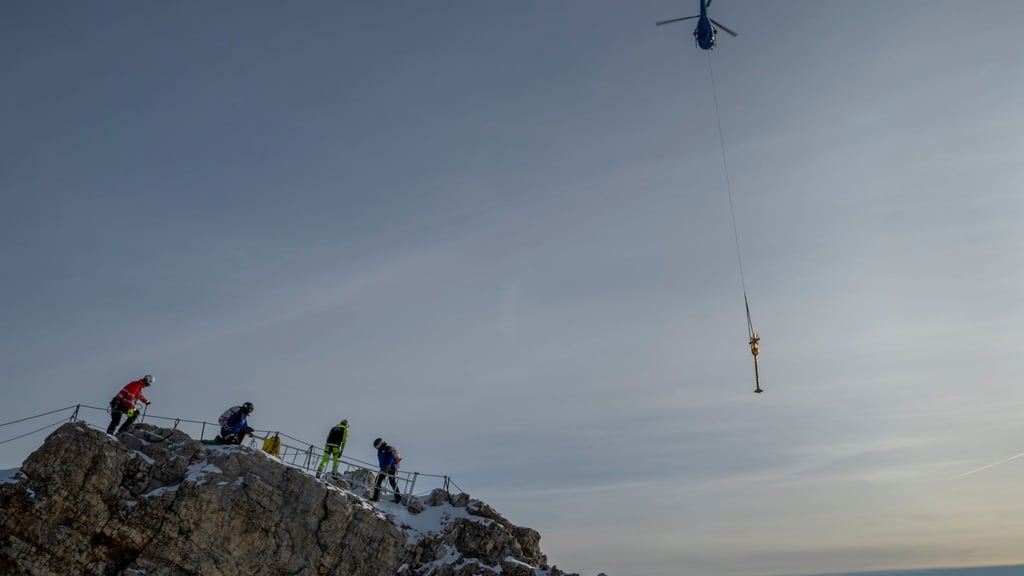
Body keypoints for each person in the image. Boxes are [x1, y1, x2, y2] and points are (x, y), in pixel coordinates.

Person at [370, 437, 402, 503]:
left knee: (391, 481)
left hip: (390, 467)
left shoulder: (387, 448)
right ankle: (375, 497)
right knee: (378, 481)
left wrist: (388, 465)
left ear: (379, 444)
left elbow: (391, 456)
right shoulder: (381, 450)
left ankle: (398, 497)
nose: (376, 448)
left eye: (377, 446)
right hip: (384, 468)